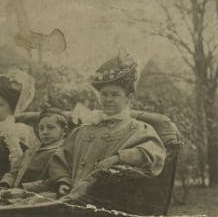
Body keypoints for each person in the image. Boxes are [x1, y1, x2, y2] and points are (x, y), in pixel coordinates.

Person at [49, 54, 166, 198]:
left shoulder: (138, 129)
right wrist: (63, 182)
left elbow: (150, 154)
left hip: (107, 199)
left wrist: (117, 158)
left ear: (128, 98)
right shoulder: (83, 129)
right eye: (104, 95)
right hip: (70, 196)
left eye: (115, 95)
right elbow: (61, 158)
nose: (108, 100)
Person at [0, 107, 71, 204]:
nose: (45, 132)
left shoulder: (62, 151)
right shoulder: (31, 151)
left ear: (64, 131)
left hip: (40, 194)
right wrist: (5, 186)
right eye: (41, 128)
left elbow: (54, 180)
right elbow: (14, 172)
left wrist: (24, 190)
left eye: (50, 127)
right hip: (16, 192)